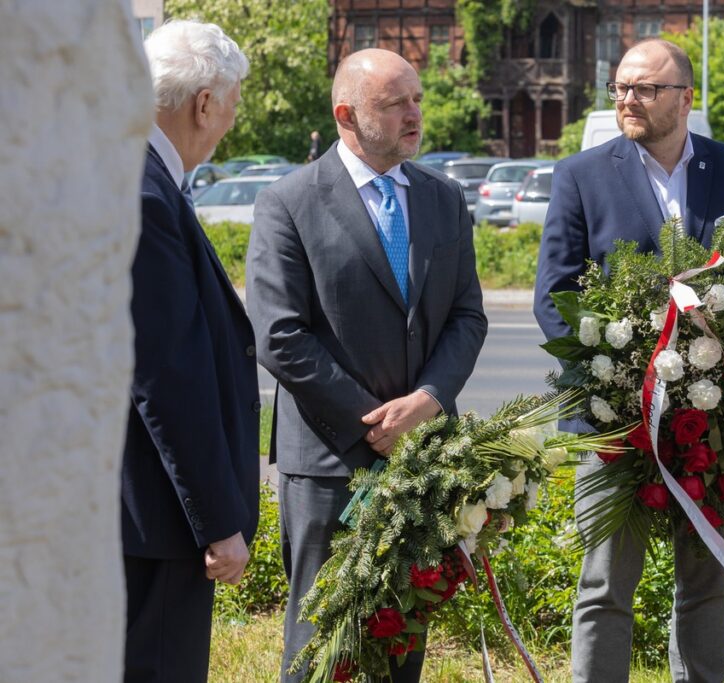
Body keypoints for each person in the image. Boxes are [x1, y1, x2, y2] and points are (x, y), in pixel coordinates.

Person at [533, 38, 724, 683]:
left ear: (685, 98)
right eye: (621, 87)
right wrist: (616, 370)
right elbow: (554, 297)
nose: (628, 99)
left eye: (645, 88)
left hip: (712, 414)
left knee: (708, 580)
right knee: (605, 585)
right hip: (614, 417)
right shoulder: (581, 175)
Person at [245, 48, 487, 683]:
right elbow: (279, 335)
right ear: (346, 115)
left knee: (403, 633)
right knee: (322, 645)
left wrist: (427, 402)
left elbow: (467, 316)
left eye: (417, 100)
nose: (414, 114)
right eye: (395, 103)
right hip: (331, 461)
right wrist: (376, 423)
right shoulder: (288, 202)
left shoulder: (442, 198)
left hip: (424, 454)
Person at [122, 20, 259, 683]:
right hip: (157, 522)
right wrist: (217, 522)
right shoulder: (144, 192)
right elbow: (168, 377)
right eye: (232, 105)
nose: (230, 123)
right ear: (205, 102)